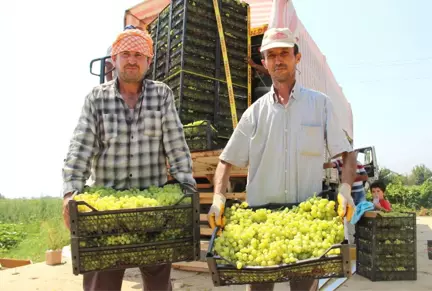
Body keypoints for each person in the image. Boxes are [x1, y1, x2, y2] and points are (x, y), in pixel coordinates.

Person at [208, 27, 357, 291]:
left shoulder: (320, 105)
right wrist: (218, 199)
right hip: (261, 222)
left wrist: (345, 189)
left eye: (284, 53)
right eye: (271, 55)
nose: (278, 60)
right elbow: (226, 160)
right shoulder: (254, 114)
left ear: (297, 58)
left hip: (305, 224)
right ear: (264, 62)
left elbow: (347, 154)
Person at [62, 27, 196, 291]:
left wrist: (186, 189)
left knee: (158, 283)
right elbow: (80, 148)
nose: (132, 60)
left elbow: (177, 146)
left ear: (148, 60)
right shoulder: (96, 99)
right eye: (126, 53)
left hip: (154, 212)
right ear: (115, 58)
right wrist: (69, 193)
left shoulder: (162, 95)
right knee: (102, 283)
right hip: (106, 216)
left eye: (139, 54)